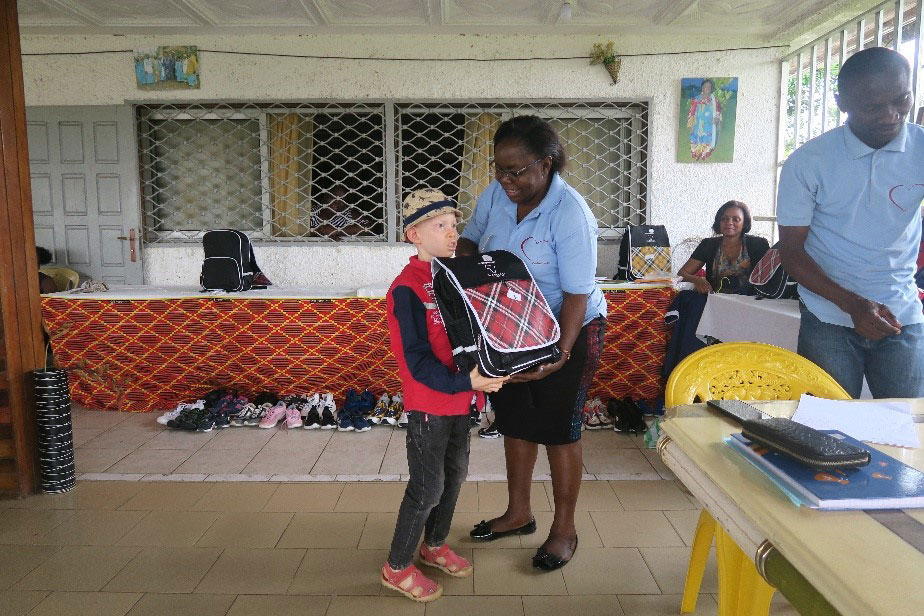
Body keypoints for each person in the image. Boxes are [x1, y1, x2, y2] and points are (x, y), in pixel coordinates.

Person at [456, 115, 607, 570]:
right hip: (510, 324)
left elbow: (577, 292)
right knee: (516, 419)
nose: (506, 180)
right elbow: (469, 240)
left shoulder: (570, 213)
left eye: (516, 171)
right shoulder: (497, 195)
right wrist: (469, 277)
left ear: (546, 164)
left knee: (560, 429)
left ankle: (564, 530)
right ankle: (518, 513)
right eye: (499, 169)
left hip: (569, 324)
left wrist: (561, 353)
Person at [381, 188, 508, 602]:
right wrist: (469, 382)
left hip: (461, 400)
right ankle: (397, 567)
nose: (453, 234)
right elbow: (416, 361)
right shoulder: (407, 289)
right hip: (430, 404)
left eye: (454, 225)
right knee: (427, 487)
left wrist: (489, 370)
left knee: (454, 476)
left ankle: (433, 545)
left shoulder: (455, 278)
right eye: (441, 226)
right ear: (414, 235)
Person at [777, 46, 924, 399]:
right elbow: (791, 253)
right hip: (827, 315)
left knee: (906, 422)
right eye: (873, 107)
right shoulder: (808, 162)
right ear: (841, 102)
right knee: (829, 422)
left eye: (901, 100)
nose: (890, 115)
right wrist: (853, 305)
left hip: (902, 312)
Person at [677, 200, 769, 294]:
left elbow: (768, 278)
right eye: (724, 219)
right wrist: (697, 279)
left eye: (736, 219)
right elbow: (681, 274)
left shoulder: (758, 244)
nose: (729, 222)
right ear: (719, 222)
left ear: (744, 223)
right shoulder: (708, 245)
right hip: (714, 300)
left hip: (751, 301)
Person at [688, 79, 723, 160]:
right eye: (704, 86)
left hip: (708, 126)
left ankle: (705, 153)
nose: (706, 88)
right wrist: (691, 125)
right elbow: (692, 113)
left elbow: (718, 111)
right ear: (702, 87)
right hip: (697, 125)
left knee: (707, 140)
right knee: (696, 140)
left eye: (708, 86)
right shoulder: (696, 99)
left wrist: (716, 119)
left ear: (711, 89)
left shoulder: (714, 101)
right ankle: (696, 153)